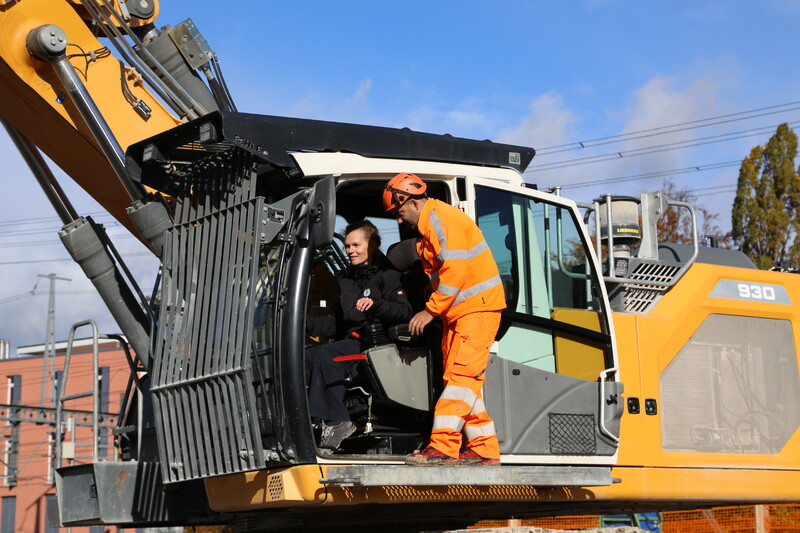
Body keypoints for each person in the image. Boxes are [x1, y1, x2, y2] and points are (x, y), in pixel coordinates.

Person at [383, 172, 506, 466]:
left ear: (411, 202)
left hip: (477, 311)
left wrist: (429, 310)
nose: (399, 221)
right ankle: (483, 449)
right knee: (461, 381)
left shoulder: (441, 220)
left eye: (399, 212)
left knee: (461, 380)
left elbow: (456, 272)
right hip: (463, 313)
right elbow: (445, 269)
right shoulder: (433, 225)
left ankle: (443, 446)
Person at [306, 219, 412, 452]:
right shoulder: (344, 280)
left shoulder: (389, 275)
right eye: (347, 246)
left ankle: (337, 421)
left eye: (356, 245)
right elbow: (336, 322)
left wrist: (377, 304)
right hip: (350, 340)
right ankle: (314, 421)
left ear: (372, 245)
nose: (350, 251)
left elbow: (403, 311)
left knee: (327, 356)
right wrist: (307, 325)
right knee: (307, 356)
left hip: (376, 341)